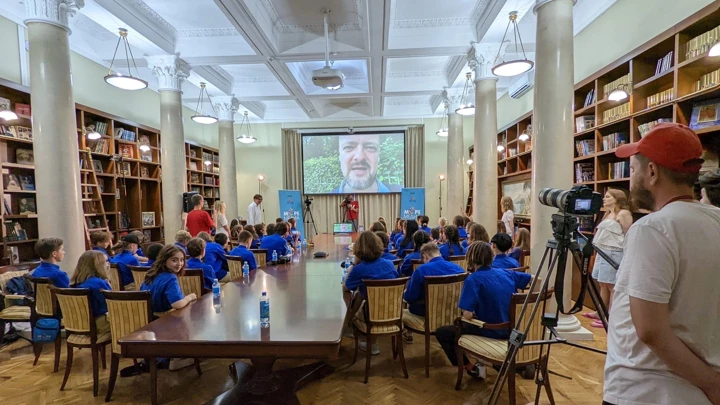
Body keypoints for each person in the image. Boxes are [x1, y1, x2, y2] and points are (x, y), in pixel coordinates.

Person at [604, 123, 720, 405]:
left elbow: (649, 329)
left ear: (652, 172)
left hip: (647, 390)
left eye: (632, 170)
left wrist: (712, 384)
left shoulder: (654, 228)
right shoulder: (715, 219)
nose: (630, 180)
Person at [435, 242, 533, 380]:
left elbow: (467, 315)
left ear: (471, 259)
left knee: (444, 333)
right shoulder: (506, 272)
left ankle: (471, 367)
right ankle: (505, 364)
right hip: (512, 328)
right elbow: (535, 279)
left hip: (490, 329)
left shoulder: (473, 279)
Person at [343, 231, 399, 355]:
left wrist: (354, 263)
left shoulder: (359, 269)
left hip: (371, 315)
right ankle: (372, 343)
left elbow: (346, 288)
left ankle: (349, 327)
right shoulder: (390, 264)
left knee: (358, 296)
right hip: (394, 311)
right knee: (365, 295)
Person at [584, 189, 633, 328]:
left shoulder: (623, 213)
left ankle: (611, 316)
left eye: (607, 197)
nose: (604, 199)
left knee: (612, 285)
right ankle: (600, 311)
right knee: (602, 283)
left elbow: (628, 234)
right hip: (602, 251)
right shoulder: (607, 213)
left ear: (617, 198)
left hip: (614, 252)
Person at [404, 242, 464, 317]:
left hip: (427, 313)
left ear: (424, 257)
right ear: (439, 254)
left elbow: (410, 297)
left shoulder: (421, 270)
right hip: (453, 312)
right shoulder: (459, 268)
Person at [331, 134, 399, 193]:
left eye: (370, 147)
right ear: (339, 156)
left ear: (378, 155)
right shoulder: (326, 203)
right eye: (348, 147)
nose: (360, 157)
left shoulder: (402, 195)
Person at [140, 245, 197, 314]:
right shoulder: (170, 278)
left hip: (147, 315)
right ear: (164, 260)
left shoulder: (151, 273)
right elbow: (177, 304)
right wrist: (189, 298)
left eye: (182, 260)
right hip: (162, 319)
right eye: (174, 260)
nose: (179, 263)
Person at [71, 250, 112, 334]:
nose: (108, 264)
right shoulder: (99, 283)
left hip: (79, 322)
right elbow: (109, 305)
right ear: (98, 265)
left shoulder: (74, 283)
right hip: (98, 323)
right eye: (105, 261)